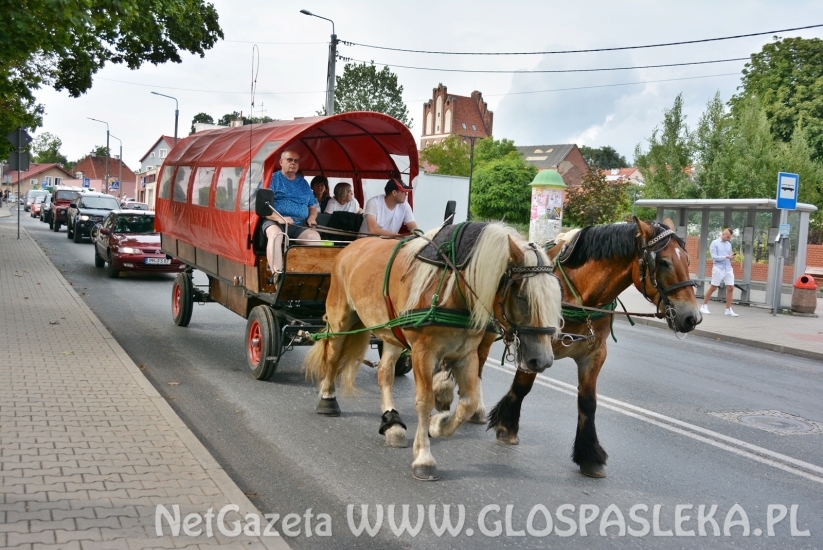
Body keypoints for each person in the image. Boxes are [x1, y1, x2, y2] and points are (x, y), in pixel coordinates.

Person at [261, 150, 321, 274]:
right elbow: (264, 207)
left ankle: (310, 274)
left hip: (298, 223)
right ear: (281, 162)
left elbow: (312, 206)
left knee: (315, 237)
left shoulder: (303, 183)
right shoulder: (272, 179)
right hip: (274, 221)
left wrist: (312, 217)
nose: (293, 163)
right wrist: (280, 218)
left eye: (296, 161)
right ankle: (277, 273)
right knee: (277, 235)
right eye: (289, 160)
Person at [700, 227, 739, 317]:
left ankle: (728, 309)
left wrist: (731, 257)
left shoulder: (729, 244)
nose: (729, 239)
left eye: (730, 237)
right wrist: (726, 257)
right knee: (713, 287)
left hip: (728, 268)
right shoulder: (714, 243)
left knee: (730, 288)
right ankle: (704, 306)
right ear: (723, 234)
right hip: (718, 268)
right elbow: (714, 257)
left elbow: (729, 256)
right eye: (728, 237)